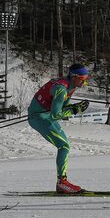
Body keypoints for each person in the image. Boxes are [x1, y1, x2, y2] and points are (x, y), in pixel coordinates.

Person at [28, 63, 90, 194]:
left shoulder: (70, 86)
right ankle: (62, 182)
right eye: (83, 78)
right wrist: (74, 110)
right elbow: (56, 114)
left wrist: (75, 107)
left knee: (65, 146)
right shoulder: (61, 88)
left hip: (45, 116)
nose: (85, 81)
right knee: (64, 146)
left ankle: (62, 182)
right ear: (74, 77)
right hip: (39, 118)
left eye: (86, 77)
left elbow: (61, 108)